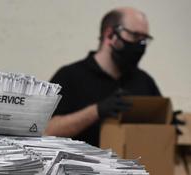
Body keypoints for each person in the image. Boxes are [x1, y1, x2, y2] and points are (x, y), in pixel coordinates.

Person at [45, 7, 160, 146]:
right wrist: (97, 111)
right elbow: (46, 130)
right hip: (79, 167)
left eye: (145, 39)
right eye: (135, 36)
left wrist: (170, 124)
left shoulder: (144, 82)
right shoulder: (70, 76)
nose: (140, 45)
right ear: (110, 35)